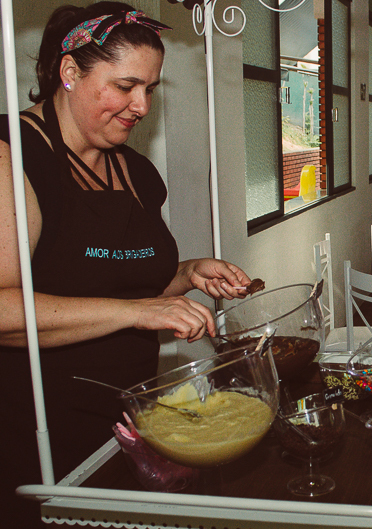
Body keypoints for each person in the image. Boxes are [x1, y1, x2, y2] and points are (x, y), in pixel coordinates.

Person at [0, 4, 254, 525]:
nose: (140, 105)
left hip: (123, 421)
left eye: (151, 89)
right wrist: (136, 312)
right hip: (36, 429)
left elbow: (121, 277)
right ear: (69, 72)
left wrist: (187, 274)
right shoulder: (15, 158)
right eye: (125, 86)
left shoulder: (135, 170)